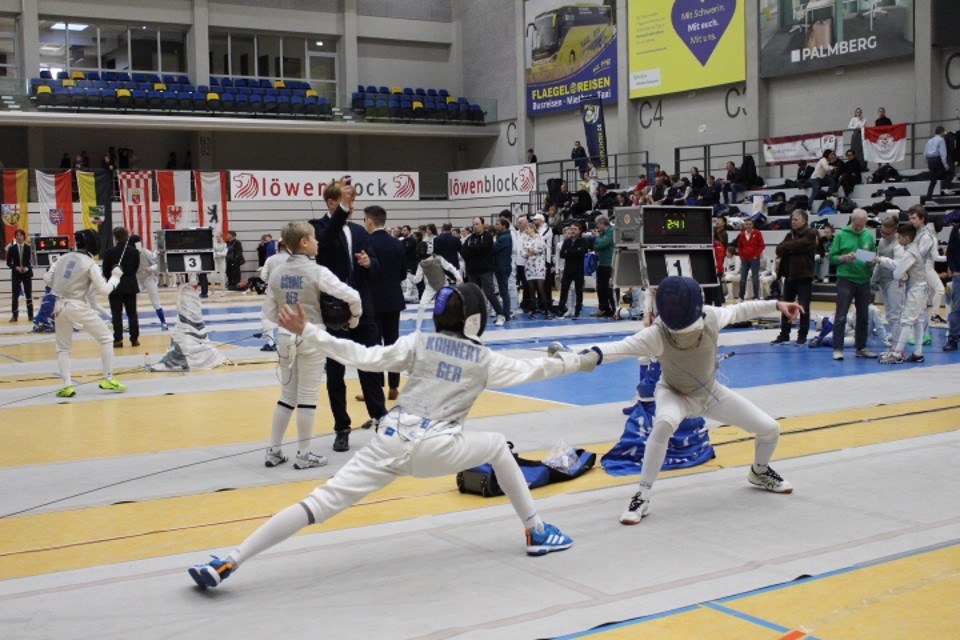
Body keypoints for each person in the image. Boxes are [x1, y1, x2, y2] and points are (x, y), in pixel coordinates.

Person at [187, 279, 601, 589]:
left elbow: (362, 357)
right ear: (476, 320)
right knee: (494, 445)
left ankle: (230, 560)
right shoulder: (485, 358)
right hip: (435, 448)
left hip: (387, 440)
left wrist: (309, 332)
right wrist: (580, 361)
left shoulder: (419, 343)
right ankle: (536, 530)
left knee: (319, 502)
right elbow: (538, 369)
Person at [583, 276, 801, 524]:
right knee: (664, 424)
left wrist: (776, 305)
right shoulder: (658, 333)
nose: (676, 310)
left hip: (710, 392)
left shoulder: (710, 317)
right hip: (674, 393)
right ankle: (642, 495)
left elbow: (740, 310)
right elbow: (620, 348)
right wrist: (587, 357)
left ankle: (759, 472)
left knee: (770, 428)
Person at [260, 221, 362, 470]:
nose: (318, 242)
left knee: (287, 397)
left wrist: (287, 321)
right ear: (304, 242)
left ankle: (273, 451)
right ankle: (304, 454)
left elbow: (270, 313)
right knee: (307, 398)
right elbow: (353, 296)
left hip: (285, 339)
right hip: (312, 337)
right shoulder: (318, 271)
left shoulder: (276, 272)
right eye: (314, 239)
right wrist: (354, 319)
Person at [308, 178, 385, 451]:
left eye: (351, 202)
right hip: (334, 312)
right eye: (344, 201)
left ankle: (380, 418)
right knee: (336, 373)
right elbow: (326, 239)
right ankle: (341, 427)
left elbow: (376, 264)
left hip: (363, 309)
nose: (351, 206)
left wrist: (369, 262)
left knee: (371, 364)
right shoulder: (317, 227)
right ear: (331, 202)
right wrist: (341, 209)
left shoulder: (359, 231)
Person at [45, 229, 127, 398]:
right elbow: (104, 290)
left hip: (59, 306)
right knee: (106, 338)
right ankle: (108, 378)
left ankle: (67, 385)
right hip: (76, 306)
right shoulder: (89, 263)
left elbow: (47, 279)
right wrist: (116, 277)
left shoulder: (62, 258)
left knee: (63, 347)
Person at [363, 205, 407, 401]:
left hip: (372, 300)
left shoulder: (365, 243)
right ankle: (394, 387)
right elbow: (403, 273)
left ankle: (376, 388)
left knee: (374, 345)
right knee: (393, 344)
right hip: (393, 299)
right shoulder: (397, 243)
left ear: (370, 221)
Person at [829, 209, 878, 360]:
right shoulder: (841, 235)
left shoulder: (868, 235)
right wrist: (844, 258)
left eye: (862, 226)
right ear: (852, 220)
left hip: (863, 279)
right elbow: (832, 258)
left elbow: (873, 256)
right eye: (857, 225)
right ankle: (838, 348)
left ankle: (861, 347)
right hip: (846, 278)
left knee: (863, 316)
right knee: (841, 315)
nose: (859, 228)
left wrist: (872, 262)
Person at [876, 224, 928, 364]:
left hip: (916, 289)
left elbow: (897, 273)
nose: (898, 239)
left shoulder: (910, 253)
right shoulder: (913, 249)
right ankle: (918, 353)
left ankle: (897, 354)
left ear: (906, 237)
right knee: (918, 321)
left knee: (907, 321)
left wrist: (902, 275)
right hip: (920, 288)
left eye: (899, 236)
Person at [771, 210, 818, 345]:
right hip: (790, 276)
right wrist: (790, 247)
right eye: (792, 220)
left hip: (804, 276)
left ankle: (802, 335)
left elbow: (801, 245)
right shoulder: (789, 234)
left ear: (804, 220)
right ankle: (784, 334)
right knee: (786, 305)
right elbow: (779, 250)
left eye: (796, 220)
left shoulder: (811, 233)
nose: (793, 222)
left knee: (804, 307)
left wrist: (788, 248)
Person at [460, 217, 506, 326]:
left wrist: (472, 250)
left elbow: (483, 248)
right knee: (473, 295)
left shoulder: (488, 237)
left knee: (489, 293)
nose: (475, 226)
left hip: (485, 270)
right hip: (472, 270)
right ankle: (475, 317)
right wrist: (473, 250)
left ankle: (501, 314)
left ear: (482, 224)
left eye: (477, 224)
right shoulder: (470, 238)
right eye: (474, 224)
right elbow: (464, 251)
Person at [908, 205, 945, 335]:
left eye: (913, 218)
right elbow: (921, 256)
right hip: (923, 270)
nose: (911, 221)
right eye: (910, 218)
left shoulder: (926, 235)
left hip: (923, 270)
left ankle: (923, 330)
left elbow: (929, 256)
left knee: (923, 302)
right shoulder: (925, 236)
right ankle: (933, 317)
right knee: (923, 301)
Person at [101, 226, 140, 348]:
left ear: (115, 238)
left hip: (115, 287)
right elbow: (135, 268)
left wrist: (112, 279)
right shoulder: (134, 252)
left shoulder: (109, 252)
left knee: (116, 314)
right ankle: (134, 339)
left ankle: (118, 340)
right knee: (132, 313)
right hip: (130, 286)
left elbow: (105, 271)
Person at [871, 216, 904, 347]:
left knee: (896, 314)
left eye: (887, 233)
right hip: (884, 282)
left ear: (894, 230)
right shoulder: (882, 242)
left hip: (895, 281)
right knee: (890, 314)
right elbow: (878, 262)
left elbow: (899, 265)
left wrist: (882, 260)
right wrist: (874, 278)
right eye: (882, 232)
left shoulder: (899, 243)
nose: (883, 235)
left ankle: (897, 345)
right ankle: (896, 337)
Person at [129, 234, 167, 331]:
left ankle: (163, 322)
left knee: (155, 302)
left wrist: (151, 268)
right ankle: (132, 324)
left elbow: (157, 264)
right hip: (137, 280)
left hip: (149, 279)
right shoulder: (130, 253)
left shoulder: (146, 252)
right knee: (131, 302)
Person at [556, 221, 587, 318]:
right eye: (571, 229)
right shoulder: (567, 241)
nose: (573, 231)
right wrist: (573, 252)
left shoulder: (583, 241)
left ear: (579, 231)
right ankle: (561, 309)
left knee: (578, 291)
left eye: (575, 229)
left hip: (578, 269)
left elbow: (580, 253)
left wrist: (569, 252)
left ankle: (577, 310)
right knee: (564, 290)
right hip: (568, 269)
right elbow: (562, 254)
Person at [522, 219, 549, 318]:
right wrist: (528, 253)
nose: (526, 230)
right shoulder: (526, 239)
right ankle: (533, 311)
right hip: (529, 267)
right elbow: (523, 252)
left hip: (539, 267)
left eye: (527, 228)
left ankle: (546, 310)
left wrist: (531, 251)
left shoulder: (539, 238)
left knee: (541, 289)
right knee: (531, 290)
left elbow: (541, 247)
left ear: (532, 228)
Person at [6, 229, 33, 322]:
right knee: (15, 295)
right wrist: (16, 268)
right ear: (15, 237)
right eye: (17, 235)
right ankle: (14, 315)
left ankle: (31, 315)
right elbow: (8, 263)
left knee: (28, 294)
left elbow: (32, 261)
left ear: (24, 237)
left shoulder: (28, 248)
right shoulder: (12, 248)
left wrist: (26, 268)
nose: (19, 237)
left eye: (21, 235)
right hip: (16, 274)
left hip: (26, 274)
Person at [592, 214, 616, 317]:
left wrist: (597, 238)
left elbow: (601, 244)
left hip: (609, 263)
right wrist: (599, 240)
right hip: (601, 263)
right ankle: (603, 308)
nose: (597, 226)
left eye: (597, 224)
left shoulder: (612, 231)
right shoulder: (603, 233)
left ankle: (614, 308)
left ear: (602, 223)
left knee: (608, 287)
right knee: (600, 287)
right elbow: (596, 246)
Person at [736, 218, 765, 301]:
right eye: (746, 224)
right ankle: (741, 296)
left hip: (754, 259)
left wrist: (756, 255)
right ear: (744, 225)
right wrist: (741, 256)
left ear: (752, 225)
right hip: (745, 259)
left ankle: (756, 296)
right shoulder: (742, 234)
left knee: (755, 278)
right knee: (742, 279)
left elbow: (762, 245)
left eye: (749, 224)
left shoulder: (758, 233)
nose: (748, 226)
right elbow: (740, 246)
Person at [944, 212, 960, 352]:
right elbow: (951, 251)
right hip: (959, 274)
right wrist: (954, 269)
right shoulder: (957, 230)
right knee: (957, 308)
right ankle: (953, 338)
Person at [493, 217, 513, 321]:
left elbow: (494, 249)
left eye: (498, 224)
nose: (496, 226)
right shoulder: (501, 236)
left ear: (504, 225)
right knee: (502, 291)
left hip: (502, 267)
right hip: (500, 266)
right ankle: (506, 313)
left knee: (504, 291)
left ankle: (507, 314)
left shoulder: (505, 238)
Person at [923, 126, 951, 199]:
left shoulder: (929, 141)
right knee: (950, 173)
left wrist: (927, 162)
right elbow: (943, 153)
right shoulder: (941, 140)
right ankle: (946, 188)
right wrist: (945, 165)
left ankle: (929, 196)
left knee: (933, 180)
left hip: (930, 160)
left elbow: (925, 153)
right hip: (937, 159)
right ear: (941, 132)